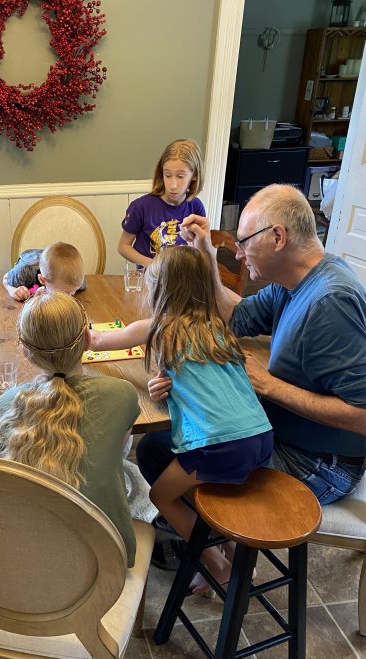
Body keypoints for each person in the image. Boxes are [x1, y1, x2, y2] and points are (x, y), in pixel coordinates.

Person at [153, 183, 366, 507]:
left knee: (161, 454)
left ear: (277, 237)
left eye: (244, 243)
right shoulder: (292, 282)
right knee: (162, 446)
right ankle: (205, 542)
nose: (238, 254)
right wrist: (207, 254)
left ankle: (215, 548)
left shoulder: (330, 302)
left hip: (320, 464)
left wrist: (269, 385)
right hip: (274, 433)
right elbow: (234, 318)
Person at [89, 246, 273, 589]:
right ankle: (237, 555)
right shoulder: (217, 328)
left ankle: (215, 566)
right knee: (199, 486)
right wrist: (173, 385)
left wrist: (73, 329)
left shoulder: (161, 328)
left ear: (163, 290)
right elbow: (212, 382)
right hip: (261, 438)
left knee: (161, 495)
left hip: (218, 446)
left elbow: (98, 340)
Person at [0, 291, 140, 566]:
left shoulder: (7, 404)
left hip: (30, 560)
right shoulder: (123, 394)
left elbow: (4, 478)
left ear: (25, 352)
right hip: (107, 559)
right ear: (86, 341)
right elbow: (117, 449)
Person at [118, 139, 206, 268]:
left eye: (180, 176)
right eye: (168, 175)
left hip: (183, 278)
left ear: (194, 175)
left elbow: (201, 250)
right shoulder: (140, 207)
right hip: (150, 280)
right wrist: (154, 265)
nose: (173, 186)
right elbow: (123, 246)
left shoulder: (196, 206)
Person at [2, 241, 86, 301]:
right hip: (29, 258)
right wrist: (12, 290)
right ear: (42, 280)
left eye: (73, 293)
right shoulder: (25, 272)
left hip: (48, 259)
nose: (71, 297)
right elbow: (5, 278)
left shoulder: (77, 281)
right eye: (66, 293)